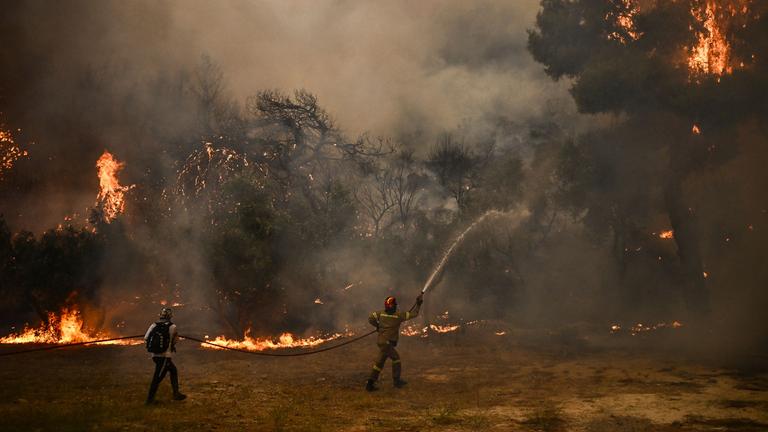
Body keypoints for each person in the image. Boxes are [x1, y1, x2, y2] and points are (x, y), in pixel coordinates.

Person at [365, 293, 424, 391]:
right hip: (387, 343)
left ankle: (370, 384)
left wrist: (378, 326)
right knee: (396, 359)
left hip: (381, 342)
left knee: (379, 363)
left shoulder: (380, 314)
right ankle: (396, 381)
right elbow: (414, 314)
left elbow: (371, 318)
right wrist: (418, 304)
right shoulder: (398, 316)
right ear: (394, 306)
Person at [144, 307, 186, 404]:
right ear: (170, 317)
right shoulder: (173, 327)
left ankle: (176, 394)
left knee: (173, 371)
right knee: (157, 378)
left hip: (154, 355)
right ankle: (149, 400)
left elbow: (146, 338)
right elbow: (175, 341)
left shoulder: (154, 325)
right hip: (164, 357)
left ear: (160, 316)